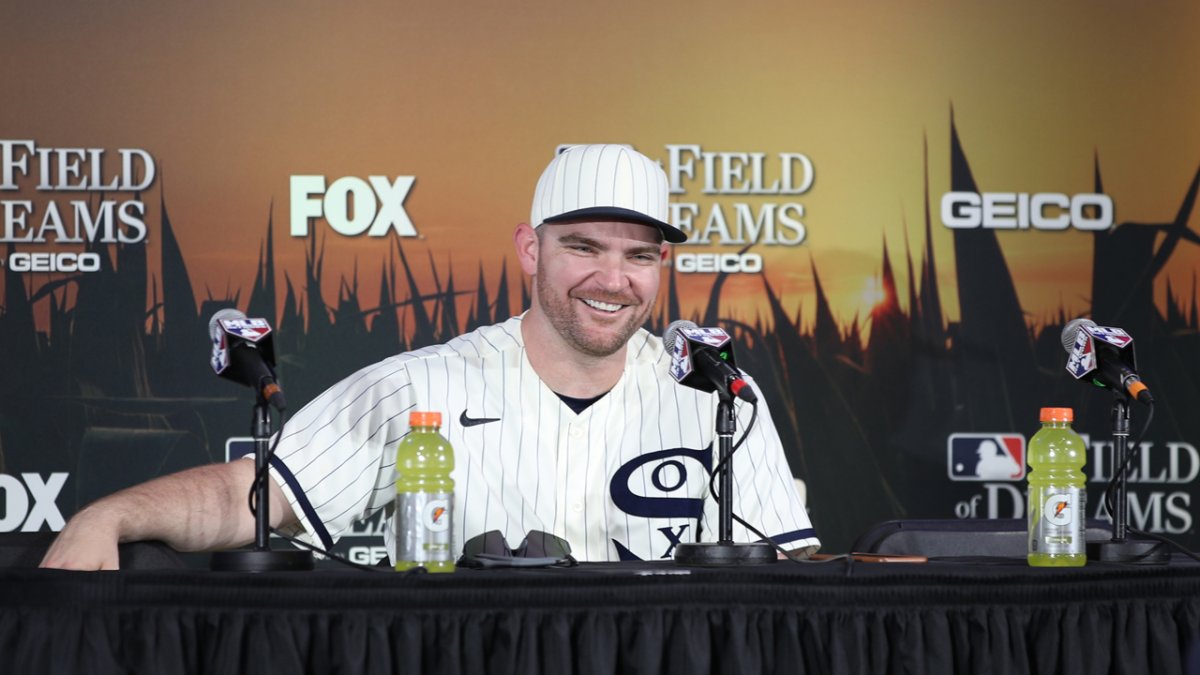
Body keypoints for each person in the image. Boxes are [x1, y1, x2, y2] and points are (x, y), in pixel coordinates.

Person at [41, 144, 818, 569]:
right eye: (582, 246)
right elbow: (257, 496)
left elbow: (797, 579)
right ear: (529, 249)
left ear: (661, 266)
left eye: (639, 255)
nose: (612, 280)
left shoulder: (720, 398)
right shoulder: (421, 384)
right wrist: (109, 515)